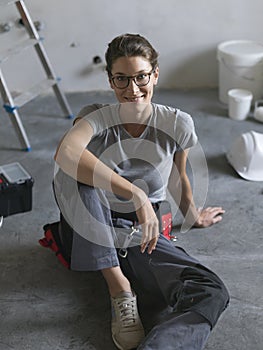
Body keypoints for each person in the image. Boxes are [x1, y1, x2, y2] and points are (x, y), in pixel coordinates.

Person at [53, 33, 229, 350]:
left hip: (138, 229)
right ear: (110, 80)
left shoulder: (177, 123)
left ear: (155, 75)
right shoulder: (94, 115)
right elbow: (66, 152)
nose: (132, 89)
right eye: (121, 79)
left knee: (211, 290)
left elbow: (179, 174)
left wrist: (191, 215)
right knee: (74, 174)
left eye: (141, 77)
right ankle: (120, 289)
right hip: (88, 224)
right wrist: (136, 193)